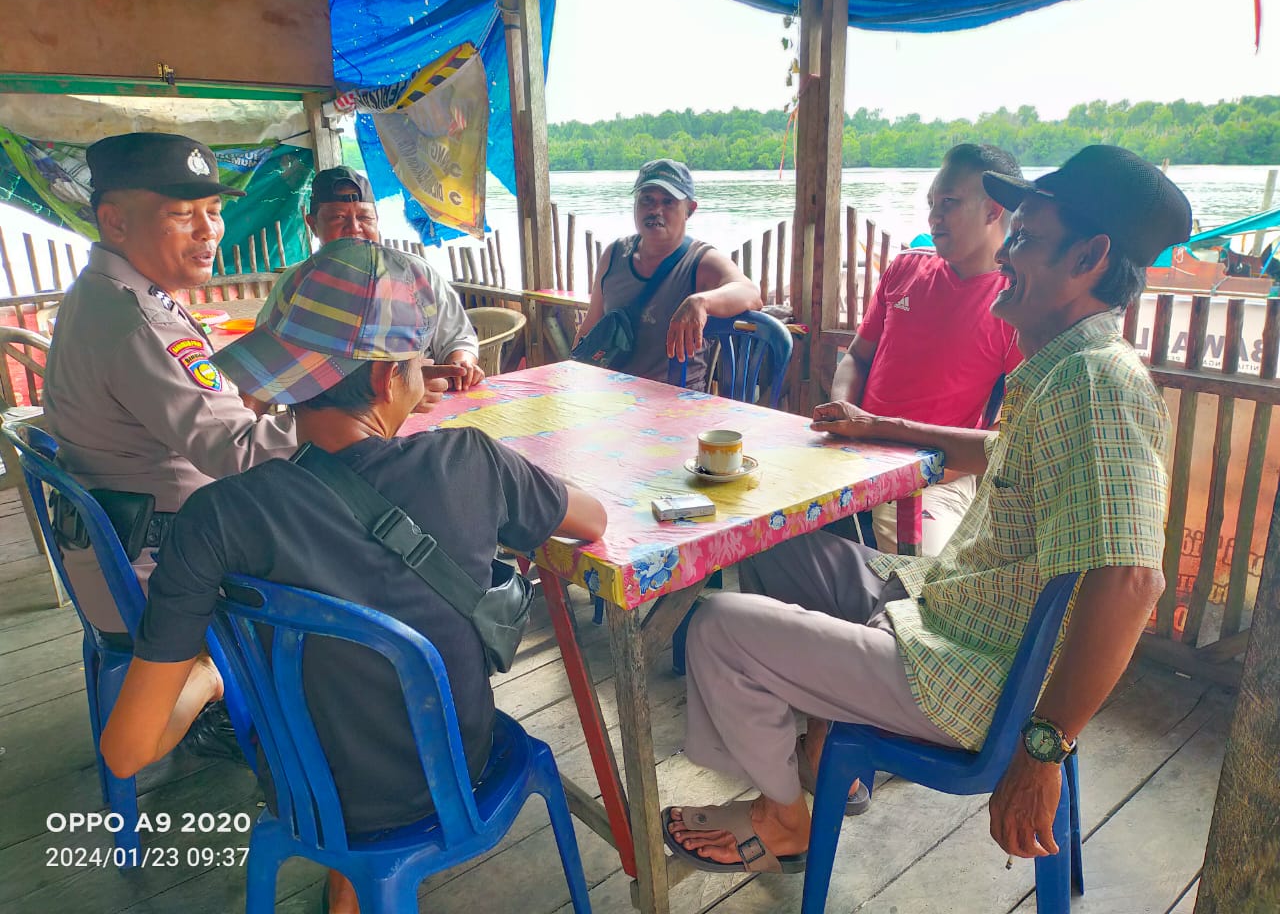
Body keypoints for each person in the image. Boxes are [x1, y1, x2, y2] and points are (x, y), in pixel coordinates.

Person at [662, 145, 1189, 876]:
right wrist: (887, 427)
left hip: (967, 674)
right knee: (759, 541)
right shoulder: (1065, 369)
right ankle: (815, 733)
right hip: (938, 608)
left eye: (1027, 240)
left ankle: (782, 815)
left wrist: (1042, 748)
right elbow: (998, 453)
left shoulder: (1097, 385)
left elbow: (1133, 582)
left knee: (717, 629)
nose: (1008, 256)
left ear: (1090, 258)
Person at [99, 239, 608, 914]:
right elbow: (592, 521)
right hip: (453, 780)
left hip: (308, 793)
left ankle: (349, 889)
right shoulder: (472, 461)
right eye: (416, 363)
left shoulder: (215, 516)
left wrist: (212, 677)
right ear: (383, 378)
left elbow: (128, 751)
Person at [42, 132, 298, 637]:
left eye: (214, 210)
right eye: (183, 215)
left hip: (122, 552)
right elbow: (240, 452)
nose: (209, 231)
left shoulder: (101, 292)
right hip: (164, 578)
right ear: (115, 221)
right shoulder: (141, 323)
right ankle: (226, 709)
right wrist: (351, 421)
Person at [833, 143, 1024, 554]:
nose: (933, 217)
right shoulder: (906, 268)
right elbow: (856, 357)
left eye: (949, 203)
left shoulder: (1013, 306)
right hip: (851, 456)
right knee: (766, 533)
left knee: (925, 576)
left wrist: (932, 472)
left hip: (936, 478)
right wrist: (842, 416)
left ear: (993, 211)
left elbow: (1005, 433)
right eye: (931, 203)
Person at [257, 165, 485, 390]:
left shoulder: (415, 273)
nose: (354, 228)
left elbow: (457, 337)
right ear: (313, 224)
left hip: (423, 398)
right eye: (338, 218)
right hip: (333, 414)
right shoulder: (297, 283)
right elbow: (268, 361)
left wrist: (461, 361)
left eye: (365, 218)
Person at [574, 158, 762, 389]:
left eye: (668, 202)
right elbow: (590, 326)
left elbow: (750, 293)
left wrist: (701, 302)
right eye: (647, 200)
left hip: (678, 404)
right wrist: (573, 378)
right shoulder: (613, 256)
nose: (655, 210)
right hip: (614, 397)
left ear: (689, 210)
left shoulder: (700, 261)